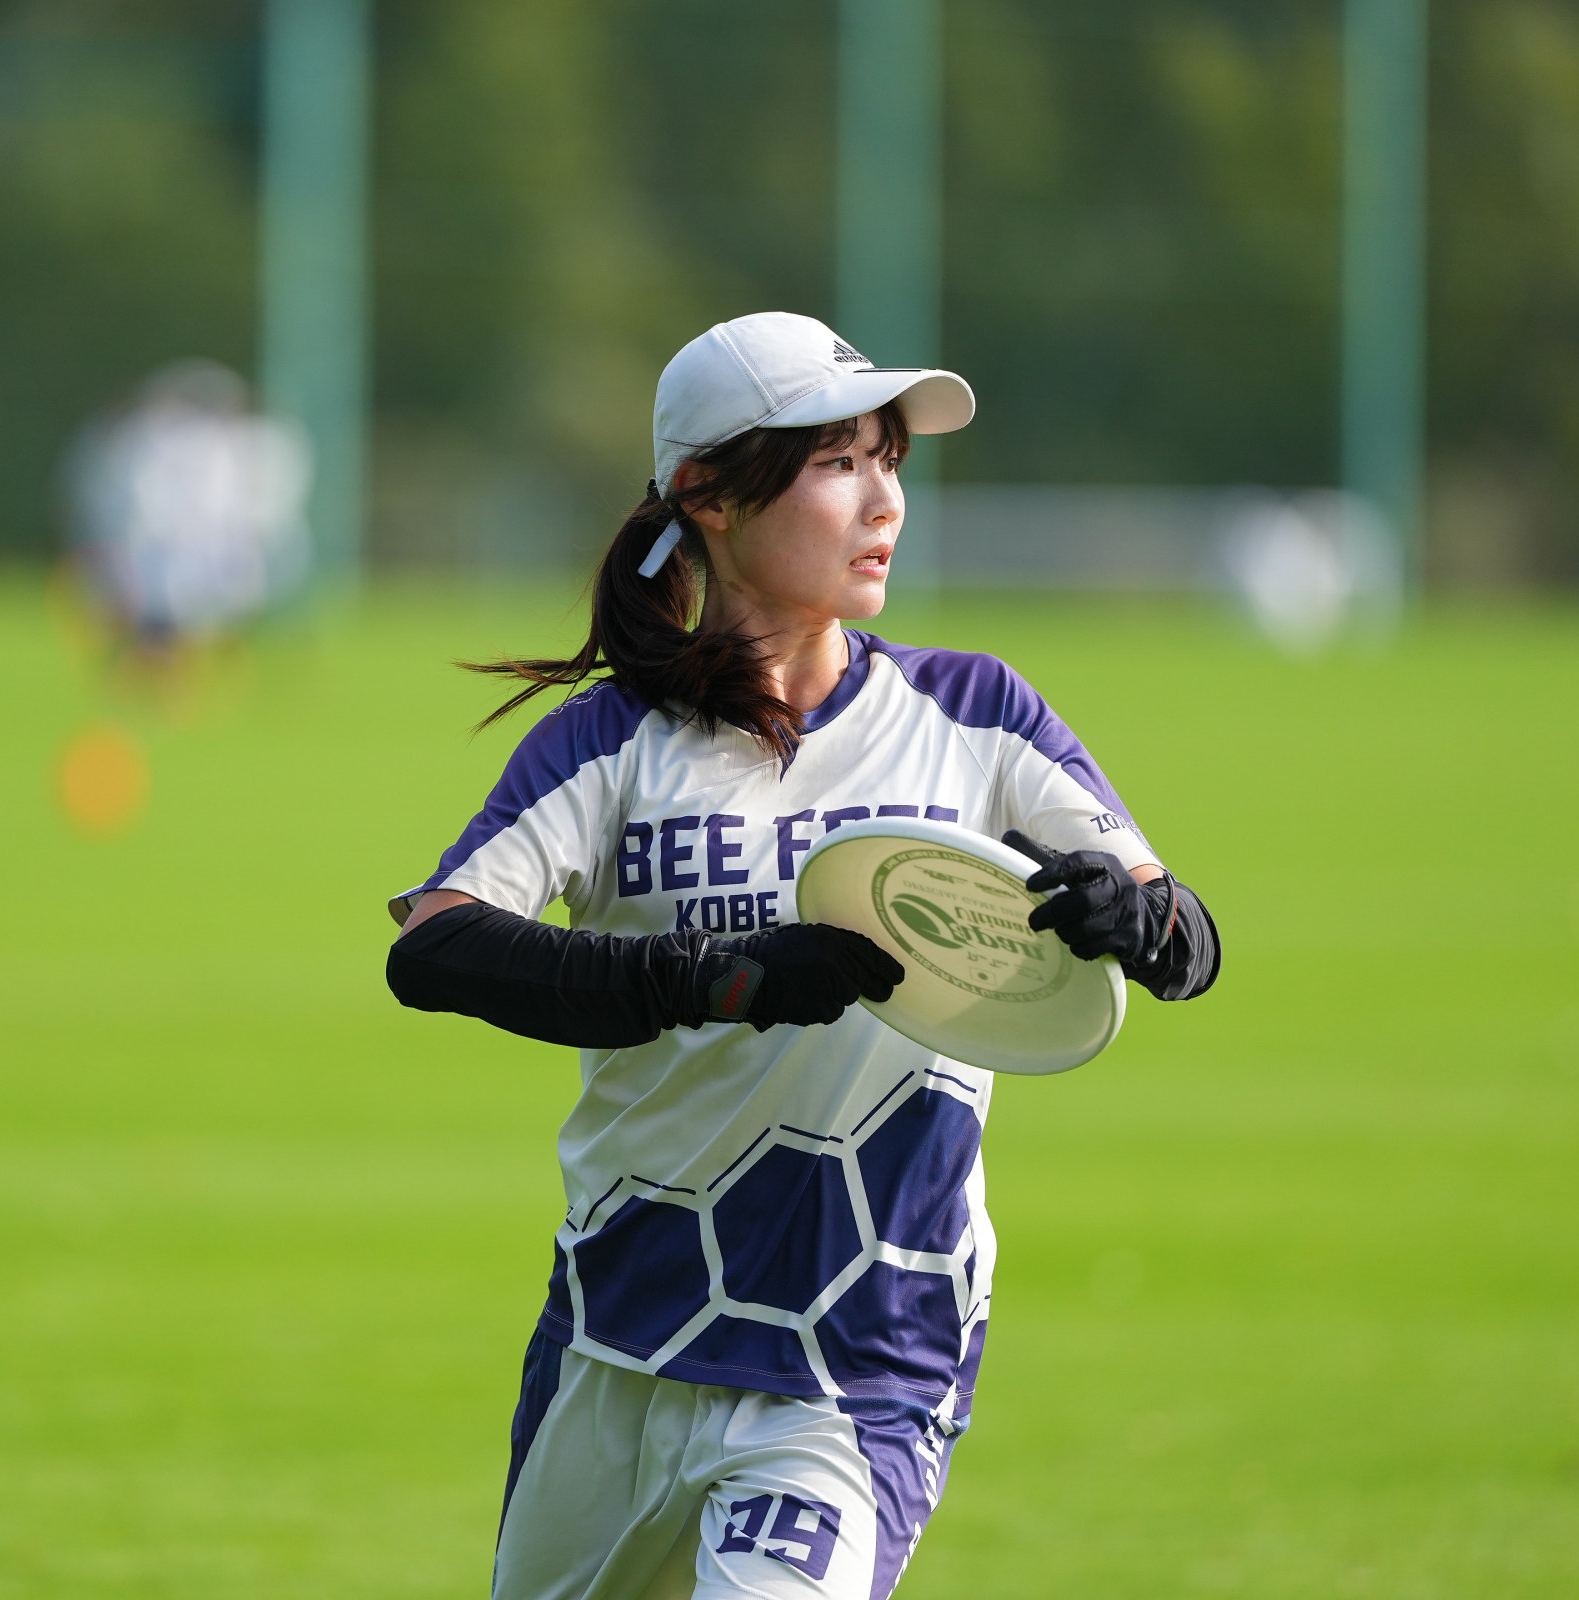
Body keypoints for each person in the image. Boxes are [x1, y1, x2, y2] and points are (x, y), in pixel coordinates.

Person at [385, 312, 1220, 1600]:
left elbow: (1186, 939)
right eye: (839, 463)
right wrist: (711, 976)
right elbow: (435, 946)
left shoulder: (976, 712)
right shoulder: (610, 742)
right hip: (618, 1337)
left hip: (859, 1368)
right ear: (708, 496)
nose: (885, 499)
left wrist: (1137, 918)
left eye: (889, 460)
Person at [62, 361, 310, 664]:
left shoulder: (230, 442)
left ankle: (174, 650)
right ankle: (164, 651)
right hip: (174, 545)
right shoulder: (160, 439)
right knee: (177, 602)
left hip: (198, 544)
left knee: (199, 603)